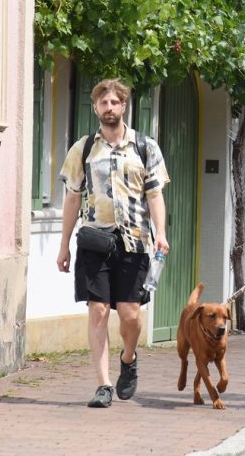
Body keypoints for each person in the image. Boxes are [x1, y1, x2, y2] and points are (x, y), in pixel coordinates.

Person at [56, 78, 169, 408]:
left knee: (131, 316)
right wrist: (64, 244)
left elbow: (155, 194)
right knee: (99, 311)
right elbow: (72, 198)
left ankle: (128, 358)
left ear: (124, 106)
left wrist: (160, 232)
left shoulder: (145, 147)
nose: (109, 108)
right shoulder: (84, 148)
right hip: (95, 241)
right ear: (95, 108)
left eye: (114, 102)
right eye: (103, 103)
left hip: (134, 242)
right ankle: (103, 385)